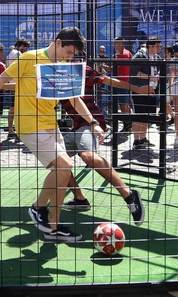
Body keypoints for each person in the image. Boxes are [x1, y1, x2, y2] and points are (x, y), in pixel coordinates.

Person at [0, 27, 94, 243]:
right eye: (69, 52)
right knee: (65, 166)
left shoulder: (64, 65)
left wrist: (93, 121)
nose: (71, 57)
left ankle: (53, 227)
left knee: (63, 172)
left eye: (73, 55)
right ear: (58, 43)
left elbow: (74, 99)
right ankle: (38, 207)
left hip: (51, 124)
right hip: (29, 125)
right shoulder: (30, 57)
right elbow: (1, 80)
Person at [58, 52, 145, 224]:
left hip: (92, 123)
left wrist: (137, 89)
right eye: (70, 56)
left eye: (78, 57)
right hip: (74, 127)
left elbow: (109, 81)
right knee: (56, 159)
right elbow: (31, 85)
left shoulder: (85, 71)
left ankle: (129, 196)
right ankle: (80, 199)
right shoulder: (57, 75)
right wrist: (0, 84)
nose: (74, 61)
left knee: (87, 155)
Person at [129, 37, 162, 150]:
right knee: (139, 115)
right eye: (158, 46)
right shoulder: (139, 56)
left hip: (152, 90)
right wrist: (150, 77)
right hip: (139, 89)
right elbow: (135, 73)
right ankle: (136, 140)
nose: (160, 48)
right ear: (151, 46)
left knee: (148, 116)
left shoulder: (156, 57)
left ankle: (143, 138)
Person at [5, 38, 29, 139]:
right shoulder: (19, 54)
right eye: (25, 47)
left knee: (12, 109)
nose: (26, 50)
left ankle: (10, 129)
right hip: (19, 84)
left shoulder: (10, 54)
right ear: (22, 46)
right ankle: (20, 130)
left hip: (11, 82)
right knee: (20, 109)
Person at [113, 37, 134, 134]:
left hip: (123, 83)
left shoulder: (123, 55)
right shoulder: (127, 53)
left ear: (121, 44)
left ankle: (128, 125)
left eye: (116, 44)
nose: (115, 46)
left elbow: (114, 68)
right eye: (114, 44)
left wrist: (103, 66)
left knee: (123, 106)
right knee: (125, 105)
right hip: (126, 82)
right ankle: (129, 124)